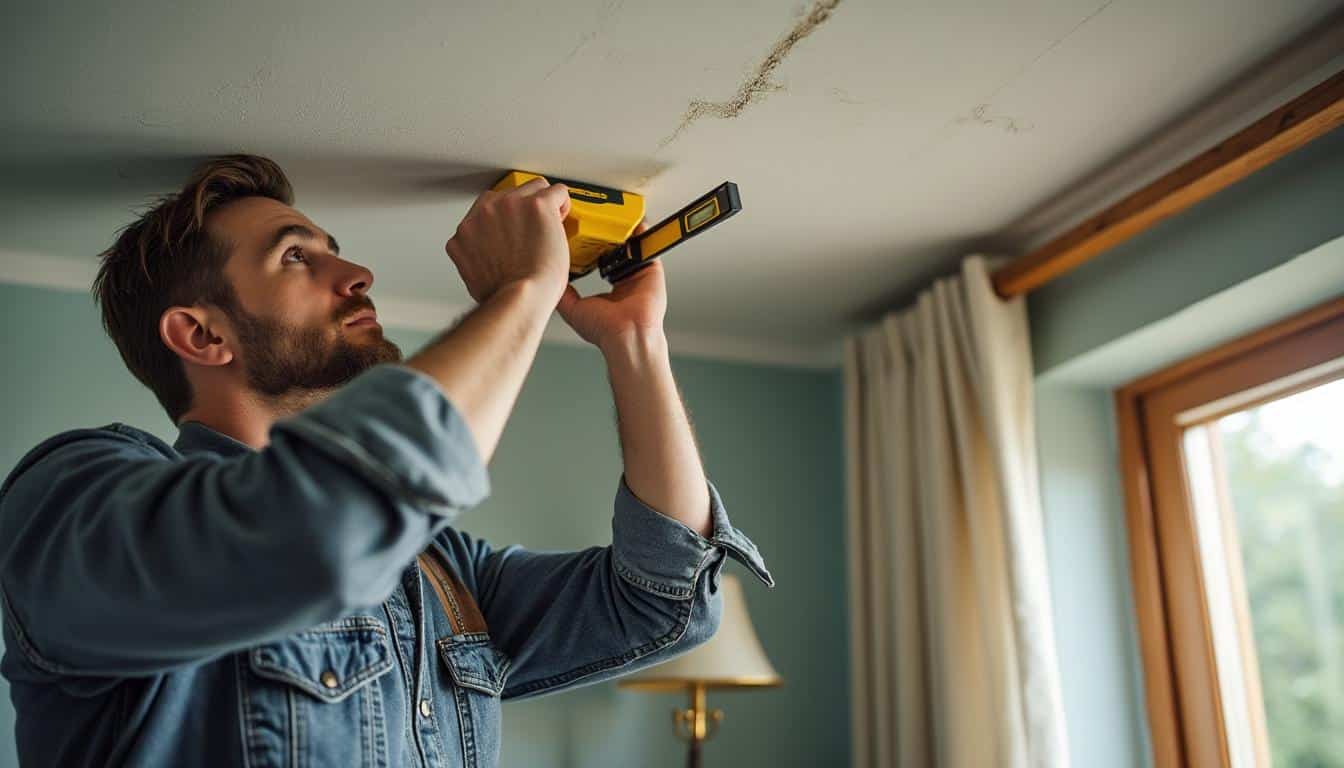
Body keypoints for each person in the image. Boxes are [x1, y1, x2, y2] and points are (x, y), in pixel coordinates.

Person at [0, 155, 773, 767]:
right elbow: (313, 533)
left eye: (333, 250)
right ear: (202, 337)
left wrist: (633, 344)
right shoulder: (73, 499)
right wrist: (527, 291)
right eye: (296, 257)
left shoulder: (439, 572)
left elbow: (659, 601)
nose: (356, 274)